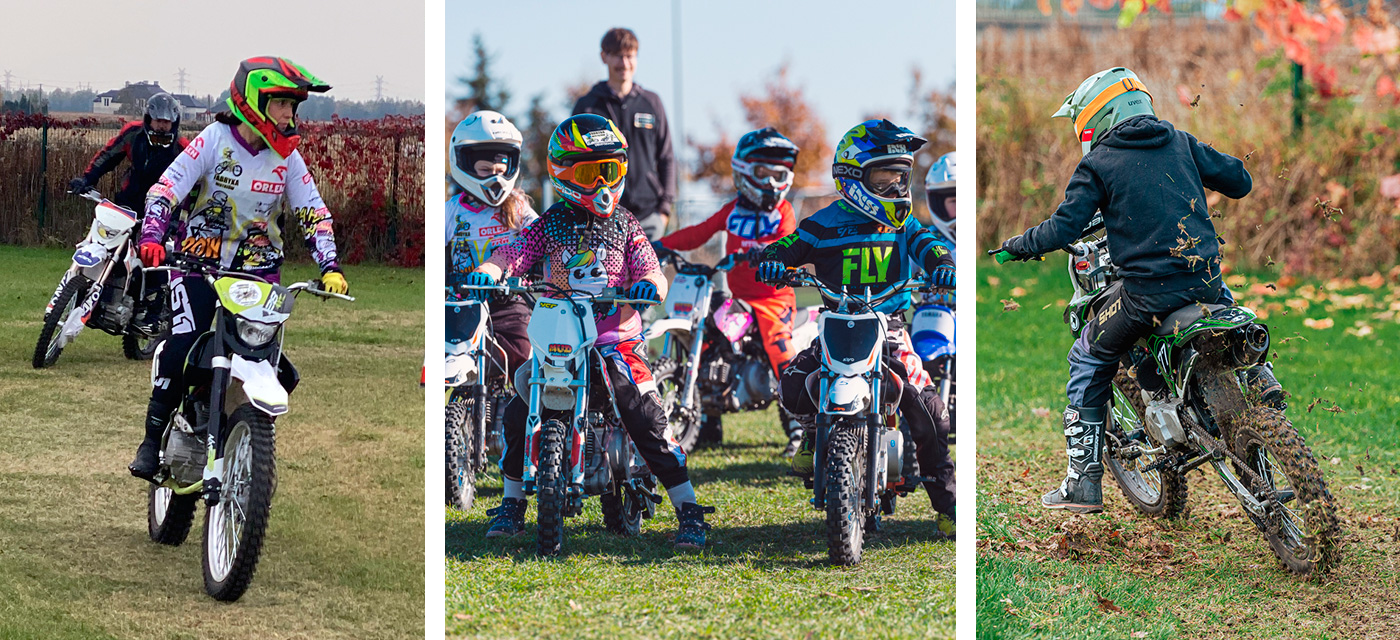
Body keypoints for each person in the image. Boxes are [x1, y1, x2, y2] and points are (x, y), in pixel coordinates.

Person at [992, 67, 1277, 514]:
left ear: (1096, 119)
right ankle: (1262, 384)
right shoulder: (1180, 141)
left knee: (1088, 354)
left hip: (1147, 295)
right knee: (1232, 314)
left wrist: (1018, 246)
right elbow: (1240, 182)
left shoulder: (1098, 164)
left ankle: (1082, 482)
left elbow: (1062, 228)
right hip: (1206, 282)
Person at [470, 114, 714, 550]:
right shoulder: (549, 224)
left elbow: (650, 268)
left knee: (645, 412)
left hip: (614, 339)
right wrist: (492, 269)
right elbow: (514, 251)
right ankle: (511, 502)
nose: (602, 185)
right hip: (557, 339)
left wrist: (650, 286)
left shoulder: (626, 224)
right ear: (564, 175)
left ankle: (689, 509)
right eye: (589, 173)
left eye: (611, 171)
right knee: (516, 410)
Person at [128, 57, 348, 480]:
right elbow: (166, 189)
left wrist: (330, 265)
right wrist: (152, 237)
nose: (290, 115)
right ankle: (152, 441)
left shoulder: (289, 158)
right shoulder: (214, 139)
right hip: (195, 262)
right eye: (282, 104)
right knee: (181, 347)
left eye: (293, 107)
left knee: (275, 367)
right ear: (253, 101)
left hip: (257, 273)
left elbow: (313, 212)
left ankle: (227, 428)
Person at [757, 119, 957, 538]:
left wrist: (942, 264)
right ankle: (814, 434)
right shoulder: (824, 222)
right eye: (884, 179)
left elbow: (931, 244)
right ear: (852, 178)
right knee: (791, 386)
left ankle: (948, 506)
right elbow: (786, 248)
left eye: (901, 179)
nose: (896, 190)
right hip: (836, 329)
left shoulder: (904, 225)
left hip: (890, 333)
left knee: (933, 416)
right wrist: (773, 261)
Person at [653, 127, 804, 456]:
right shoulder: (732, 210)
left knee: (779, 349)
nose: (770, 182)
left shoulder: (784, 213)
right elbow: (698, 233)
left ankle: (801, 427)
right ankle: (707, 420)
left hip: (773, 299)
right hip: (740, 300)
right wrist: (659, 247)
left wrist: (768, 252)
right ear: (745, 172)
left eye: (779, 174)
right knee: (708, 342)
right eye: (763, 173)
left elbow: (789, 242)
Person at [70, 92, 189, 331]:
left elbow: (193, 185)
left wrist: (176, 221)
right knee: (109, 244)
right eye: (157, 120)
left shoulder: (183, 148)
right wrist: (86, 179)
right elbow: (108, 155)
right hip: (128, 202)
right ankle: (100, 298)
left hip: (165, 211)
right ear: (148, 119)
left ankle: (153, 311)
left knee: (156, 255)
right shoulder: (133, 133)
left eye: (166, 122)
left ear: (174, 123)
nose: (161, 126)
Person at [447, 110, 538, 379]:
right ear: (464, 164)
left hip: (509, 303)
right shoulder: (452, 211)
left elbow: (540, 235)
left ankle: (513, 411)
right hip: (462, 303)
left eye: (500, 171)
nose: (495, 178)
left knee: (523, 356)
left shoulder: (519, 207)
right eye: (485, 170)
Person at [572, 27, 675, 241]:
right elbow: (572, 159)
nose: (625, 63)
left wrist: (664, 210)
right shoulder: (587, 106)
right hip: (601, 217)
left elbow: (667, 158)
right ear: (604, 57)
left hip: (648, 218)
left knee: (650, 276)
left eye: (630, 56)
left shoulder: (652, 102)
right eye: (618, 56)